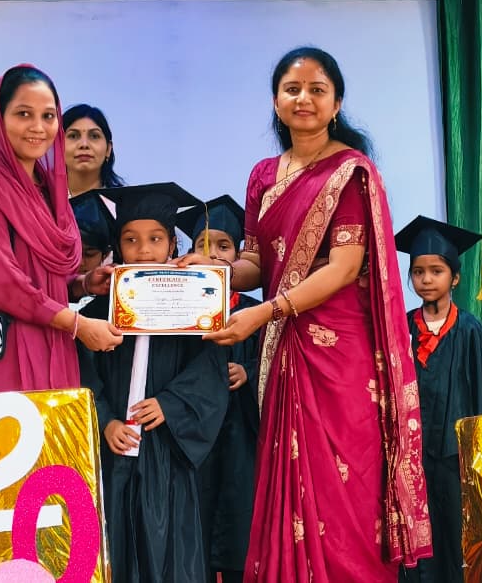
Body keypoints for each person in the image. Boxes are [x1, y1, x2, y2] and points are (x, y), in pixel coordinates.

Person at [178, 46, 432, 581]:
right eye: (292, 89)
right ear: (276, 101)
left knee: (345, 487)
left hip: (340, 355)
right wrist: (213, 272)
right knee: (289, 486)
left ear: (336, 103)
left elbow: (344, 266)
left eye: (317, 90)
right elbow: (255, 262)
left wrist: (266, 313)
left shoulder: (351, 172)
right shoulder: (263, 176)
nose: (304, 99)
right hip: (287, 351)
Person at [0, 64, 121, 498]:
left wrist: (82, 284)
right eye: (23, 114)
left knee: (50, 502)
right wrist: (77, 324)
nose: (38, 127)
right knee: (3, 507)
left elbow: (42, 278)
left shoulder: (47, 189)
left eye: (48, 116)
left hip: (50, 348)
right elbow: (2, 284)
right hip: (1, 357)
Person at [80, 183, 228, 582]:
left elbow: (210, 369)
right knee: (113, 552)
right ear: (118, 246)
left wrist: (171, 403)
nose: (143, 250)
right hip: (113, 451)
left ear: (173, 245)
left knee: (168, 556)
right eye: (131, 240)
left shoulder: (196, 305)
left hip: (166, 450)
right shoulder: (97, 311)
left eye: (155, 239)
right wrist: (105, 420)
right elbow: (82, 373)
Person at [393, 216, 482, 583]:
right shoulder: (401, 327)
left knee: (455, 536)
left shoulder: (470, 330)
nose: (427, 279)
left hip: (456, 458)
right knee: (418, 538)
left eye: (437, 271)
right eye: (418, 272)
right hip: (412, 455)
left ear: (456, 278)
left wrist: (477, 454)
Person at [179, 194, 263, 583]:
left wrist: (248, 371)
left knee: (237, 528)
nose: (212, 254)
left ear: (240, 256)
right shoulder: (178, 309)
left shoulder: (255, 310)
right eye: (202, 245)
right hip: (194, 437)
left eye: (223, 246)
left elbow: (276, 359)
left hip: (241, 435)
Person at [63, 104, 126, 197]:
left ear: (108, 149)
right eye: (73, 136)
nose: (84, 145)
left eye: (94, 136)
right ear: (58, 147)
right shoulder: (43, 202)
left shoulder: (127, 203)